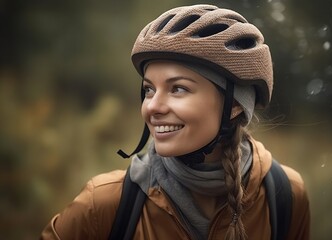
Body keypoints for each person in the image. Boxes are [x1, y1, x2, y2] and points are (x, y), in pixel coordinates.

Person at [40, 4, 310, 240]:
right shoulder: (102, 205)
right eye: (148, 89)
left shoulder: (285, 196)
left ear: (235, 105)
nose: (153, 106)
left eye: (178, 88)